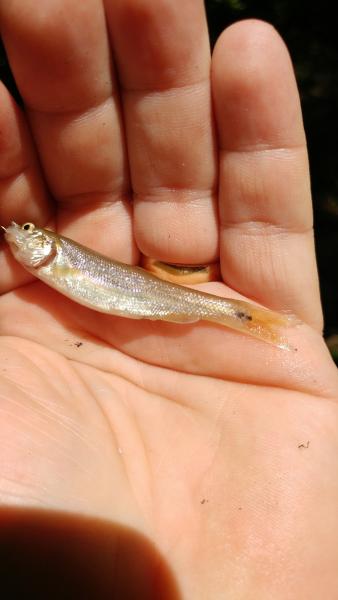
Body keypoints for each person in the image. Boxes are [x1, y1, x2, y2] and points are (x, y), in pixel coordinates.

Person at [0, 1, 337, 597]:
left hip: (173, 300)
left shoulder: (50, 261)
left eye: (26, 233)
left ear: (43, 243)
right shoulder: (47, 272)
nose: (19, 238)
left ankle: (247, 323)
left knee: (226, 313)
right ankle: (244, 322)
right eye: (22, 234)